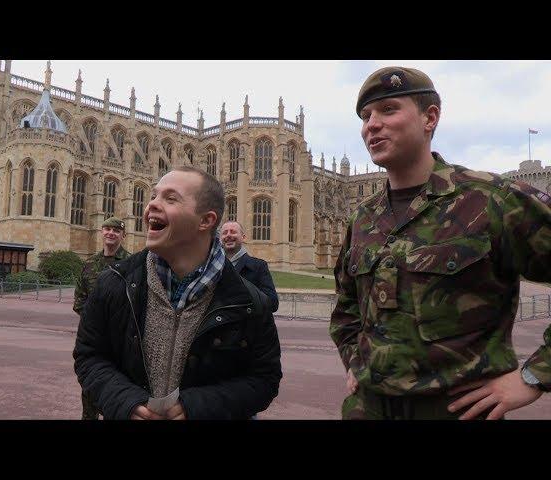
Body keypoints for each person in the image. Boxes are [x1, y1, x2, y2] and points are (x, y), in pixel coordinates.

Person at [330, 66, 550, 420]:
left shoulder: (489, 200)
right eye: (366, 115)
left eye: (388, 110)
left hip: (455, 410)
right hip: (368, 409)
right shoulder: (363, 218)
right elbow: (346, 308)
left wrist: (533, 377)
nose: (371, 124)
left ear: (429, 117)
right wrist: (356, 362)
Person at [73, 166, 282, 420]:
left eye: (170, 198)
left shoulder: (248, 301)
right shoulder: (114, 283)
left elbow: (264, 379)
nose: (151, 206)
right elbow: (89, 356)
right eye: (153, 196)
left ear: (206, 221)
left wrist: (198, 408)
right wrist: (125, 401)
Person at [73, 216, 130, 420]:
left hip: (119, 342)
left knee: (117, 393)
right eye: (107, 229)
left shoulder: (130, 264)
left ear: (123, 235)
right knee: (89, 389)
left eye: (116, 230)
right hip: (92, 340)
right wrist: (94, 325)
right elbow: (79, 300)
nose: (111, 233)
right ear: (102, 232)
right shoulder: (89, 264)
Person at [220, 220, 279, 312]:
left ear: (243, 237)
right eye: (224, 233)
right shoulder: (213, 267)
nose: (228, 235)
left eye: (233, 232)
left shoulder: (259, 266)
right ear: (220, 238)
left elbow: (272, 303)